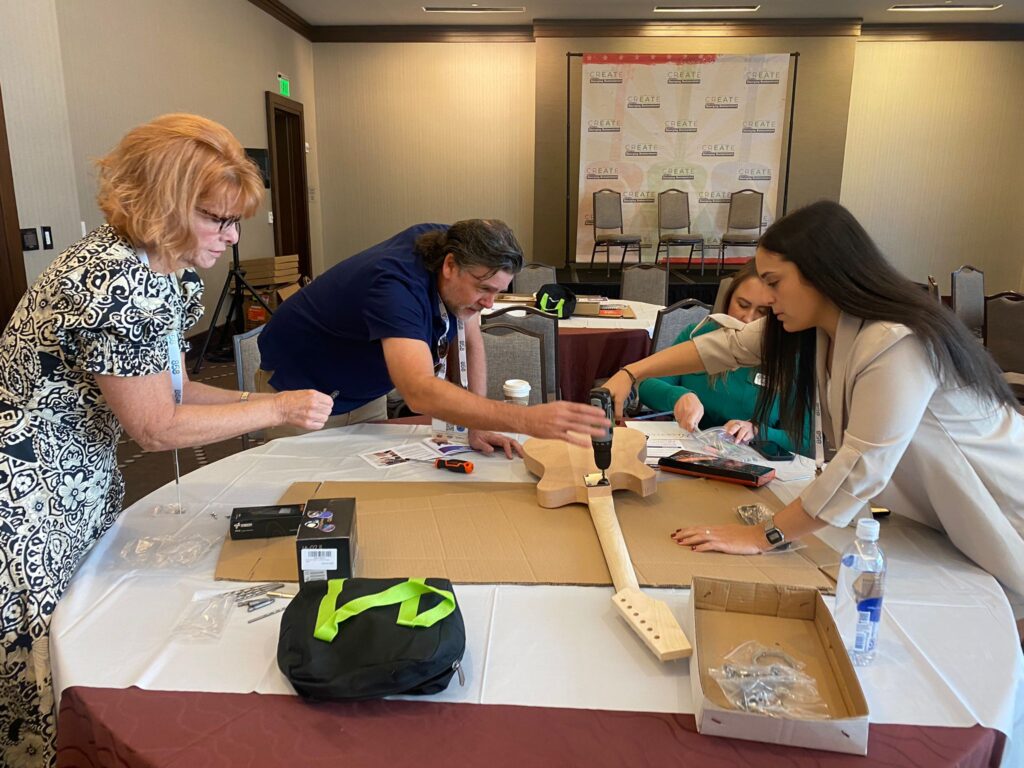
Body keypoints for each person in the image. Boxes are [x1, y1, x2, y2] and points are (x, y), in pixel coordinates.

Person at [0, 114, 333, 767]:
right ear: (164, 203)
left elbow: (174, 393)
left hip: (83, 471)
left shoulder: (172, 270)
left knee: (78, 628)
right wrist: (278, 406)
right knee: (36, 672)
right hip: (26, 490)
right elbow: (155, 427)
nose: (233, 238)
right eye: (218, 220)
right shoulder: (111, 278)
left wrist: (269, 407)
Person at [606, 200, 1024, 625]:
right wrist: (631, 372)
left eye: (774, 282)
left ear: (822, 272)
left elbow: (861, 466)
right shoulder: (818, 329)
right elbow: (726, 346)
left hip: (1005, 504)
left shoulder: (897, 343)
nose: (766, 298)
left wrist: (761, 536)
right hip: (946, 515)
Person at [256, 220, 609, 454]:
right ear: (450, 265)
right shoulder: (394, 287)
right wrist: (525, 419)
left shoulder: (451, 249)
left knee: (362, 490)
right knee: (306, 500)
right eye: (484, 289)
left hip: (361, 390)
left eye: (499, 292)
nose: (489, 303)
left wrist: (477, 424)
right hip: (299, 389)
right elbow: (418, 390)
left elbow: (471, 337)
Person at [637, 260, 811, 453]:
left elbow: (805, 441)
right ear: (728, 300)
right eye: (742, 305)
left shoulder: (791, 358)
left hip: (750, 459)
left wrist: (757, 431)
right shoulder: (699, 334)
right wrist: (678, 396)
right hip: (688, 452)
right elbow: (647, 386)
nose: (748, 318)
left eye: (763, 313)